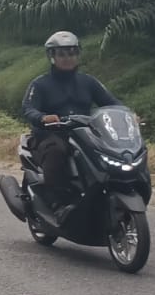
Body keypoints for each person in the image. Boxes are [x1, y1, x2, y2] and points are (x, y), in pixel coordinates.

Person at [21, 31, 122, 216]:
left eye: (72, 53)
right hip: (51, 135)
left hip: (84, 134)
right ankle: (55, 203)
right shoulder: (40, 84)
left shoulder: (88, 82)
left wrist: (127, 115)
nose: (67, 58)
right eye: (61, 54)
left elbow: (111, 102)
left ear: (78, 55)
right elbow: (29, 108)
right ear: (52, 57)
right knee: (57, 151)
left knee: (106, 152)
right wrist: (43, 118)